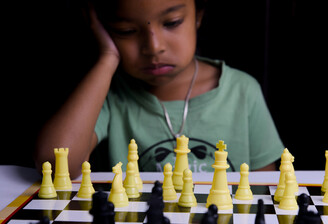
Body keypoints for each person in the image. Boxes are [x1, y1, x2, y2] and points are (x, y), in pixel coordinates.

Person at [34, 0, 284, 178]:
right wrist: (107, 58)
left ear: (198, 15)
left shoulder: (243, 91)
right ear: (103, 28)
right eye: (126, 31)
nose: (153, 47)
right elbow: (56, 165)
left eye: (172, 22)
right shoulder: (110, 96)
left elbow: (265, 189)